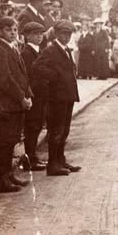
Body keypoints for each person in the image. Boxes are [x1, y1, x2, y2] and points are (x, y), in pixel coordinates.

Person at [0, 17, 32, 191]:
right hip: (6, 105)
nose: (13, 32)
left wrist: (28, 94)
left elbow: (21, 74)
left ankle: (8, 175)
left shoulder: (12, 48)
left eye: (15, 29)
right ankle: (2, 179)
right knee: (4, 143)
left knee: (11, 140)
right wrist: (21, 98)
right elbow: (5, 79)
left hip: (15, 104)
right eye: (8, 30)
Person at [32, 20, 81, 176]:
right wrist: (55, 77)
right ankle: (53, 164)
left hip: (67, 95)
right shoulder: (51, 50)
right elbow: (36, 67)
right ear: (57, 34)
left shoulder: (65, 49)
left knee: (64, 130)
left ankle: (60, 159)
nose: (66, 37)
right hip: (57, 97)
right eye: (63, 34)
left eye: (69, 34)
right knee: (56, 130)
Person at [21, 22, 48, 171]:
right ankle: (29, 157)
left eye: (41, 33)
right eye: (35, 33)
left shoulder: (40, 50)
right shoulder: (26, 53)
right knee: (32, 126)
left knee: (37, 126)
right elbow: (26, 76)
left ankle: (32, 156)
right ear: (27, 36)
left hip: (42, 93)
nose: (39, 36)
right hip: (34, 94)